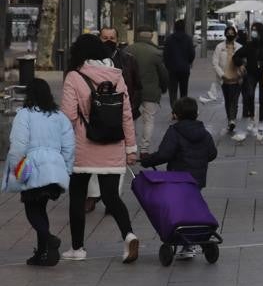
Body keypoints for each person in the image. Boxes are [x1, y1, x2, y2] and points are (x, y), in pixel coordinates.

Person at [61, 34, 140, 263]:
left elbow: (68, 116)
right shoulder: (117, 76)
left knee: (78, 197)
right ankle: (129, 235)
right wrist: (130, 149)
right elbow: (126, 115)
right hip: (113, 144)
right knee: (111, 196)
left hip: (83, 146)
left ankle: (78, 248)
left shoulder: (74, 76)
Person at [3, 79, 74, 266]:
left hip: (32, 167)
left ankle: (49, 240)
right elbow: (69, 146)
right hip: (55, 169)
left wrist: (17, 169)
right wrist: (66, 170)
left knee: (32, 210)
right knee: (41, 209)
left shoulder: (24, 115)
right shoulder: (60, 116)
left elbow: (18, 145)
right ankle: (43, 253)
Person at [142, 97, 218, 259]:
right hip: (197, 179)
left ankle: (188, 244)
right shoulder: (204, 132)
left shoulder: (175, 131)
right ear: (196, 113)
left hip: (178, 179)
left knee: (181, 211)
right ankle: (197, 237)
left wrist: (147, 161)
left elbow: (164, 154)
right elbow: (212, 153)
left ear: (176, 114)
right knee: (193, 207)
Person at [232, 22, 263, 142]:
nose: (253, 32)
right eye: (252, 30)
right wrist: (241, 64)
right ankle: (252, 118)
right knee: (249, 95)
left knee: (262, 98)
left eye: (255, 30)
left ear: (261, 32)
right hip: (251, 73)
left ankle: (261, 122)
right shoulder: (250, 45)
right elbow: (236, 56)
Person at [130, 26, 168, 154]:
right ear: (151, 36)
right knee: (149, 120)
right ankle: (144, 149)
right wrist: (163, 88)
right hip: (151, 91)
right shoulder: (156, 52)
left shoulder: (128, 50)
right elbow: (163, 74)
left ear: (137, 35)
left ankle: (131, 148)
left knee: (131, 119)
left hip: (132, 91)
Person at [213, 25, 244, 133]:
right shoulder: (219, 47)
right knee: (228, 100)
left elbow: (244, 62)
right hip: (225, 79)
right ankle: (230, 119)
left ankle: (232, 120)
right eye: (228, 33)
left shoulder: (239, 47)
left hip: (237, 78)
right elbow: (215, 63)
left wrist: (241, 72)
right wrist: (222, 75)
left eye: (232, 33)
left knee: (234, 100)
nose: (230, 35)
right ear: (225, 34)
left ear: (235, 34)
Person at [162, 19, 195, 108]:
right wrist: (188, 62)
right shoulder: (188, 39)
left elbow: (165, 54)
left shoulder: (169, 39)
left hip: (172, 69)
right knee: (184, 91)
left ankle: (174, 109)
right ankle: (183, 109)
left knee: (173, 91)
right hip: (184, 68)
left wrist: (167, 65)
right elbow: (192, 54)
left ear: (175, 27)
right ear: (184, 27)